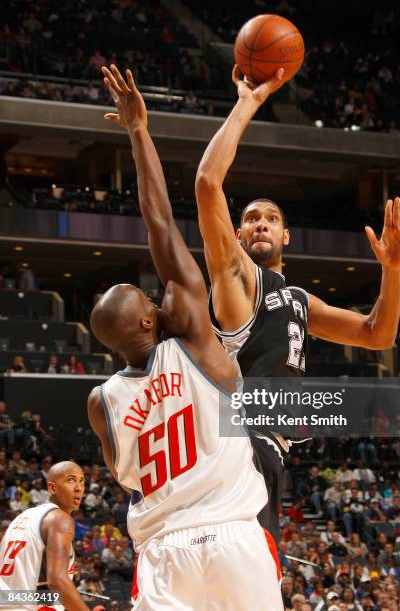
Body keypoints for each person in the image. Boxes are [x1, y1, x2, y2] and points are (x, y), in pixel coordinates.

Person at [194, 65, 400, 544]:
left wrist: (393, 271)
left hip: (266, 452)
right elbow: (208, 184)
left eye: (271, 219)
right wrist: (247, 103)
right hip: (233, 447)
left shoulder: (298, 299)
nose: (260, 225)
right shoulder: (237, 278)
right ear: (236, 235)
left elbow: (378, 335)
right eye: (251, 219)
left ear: (285, 234)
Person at [87, 65, 282, 611]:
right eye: (149, 299)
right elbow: (159, 223)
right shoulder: (193, 339)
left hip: (162, 554)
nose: (158, 298)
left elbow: (126, 471)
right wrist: (138, 132)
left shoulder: (100, 403)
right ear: (150, 321)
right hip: (232, 536)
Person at [0, 461, 87, 610]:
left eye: (82, 481)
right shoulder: (60, 519)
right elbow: (57, 581)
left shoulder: (24, 516)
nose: (79, 488)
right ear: (52, 487)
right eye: (70, 480)